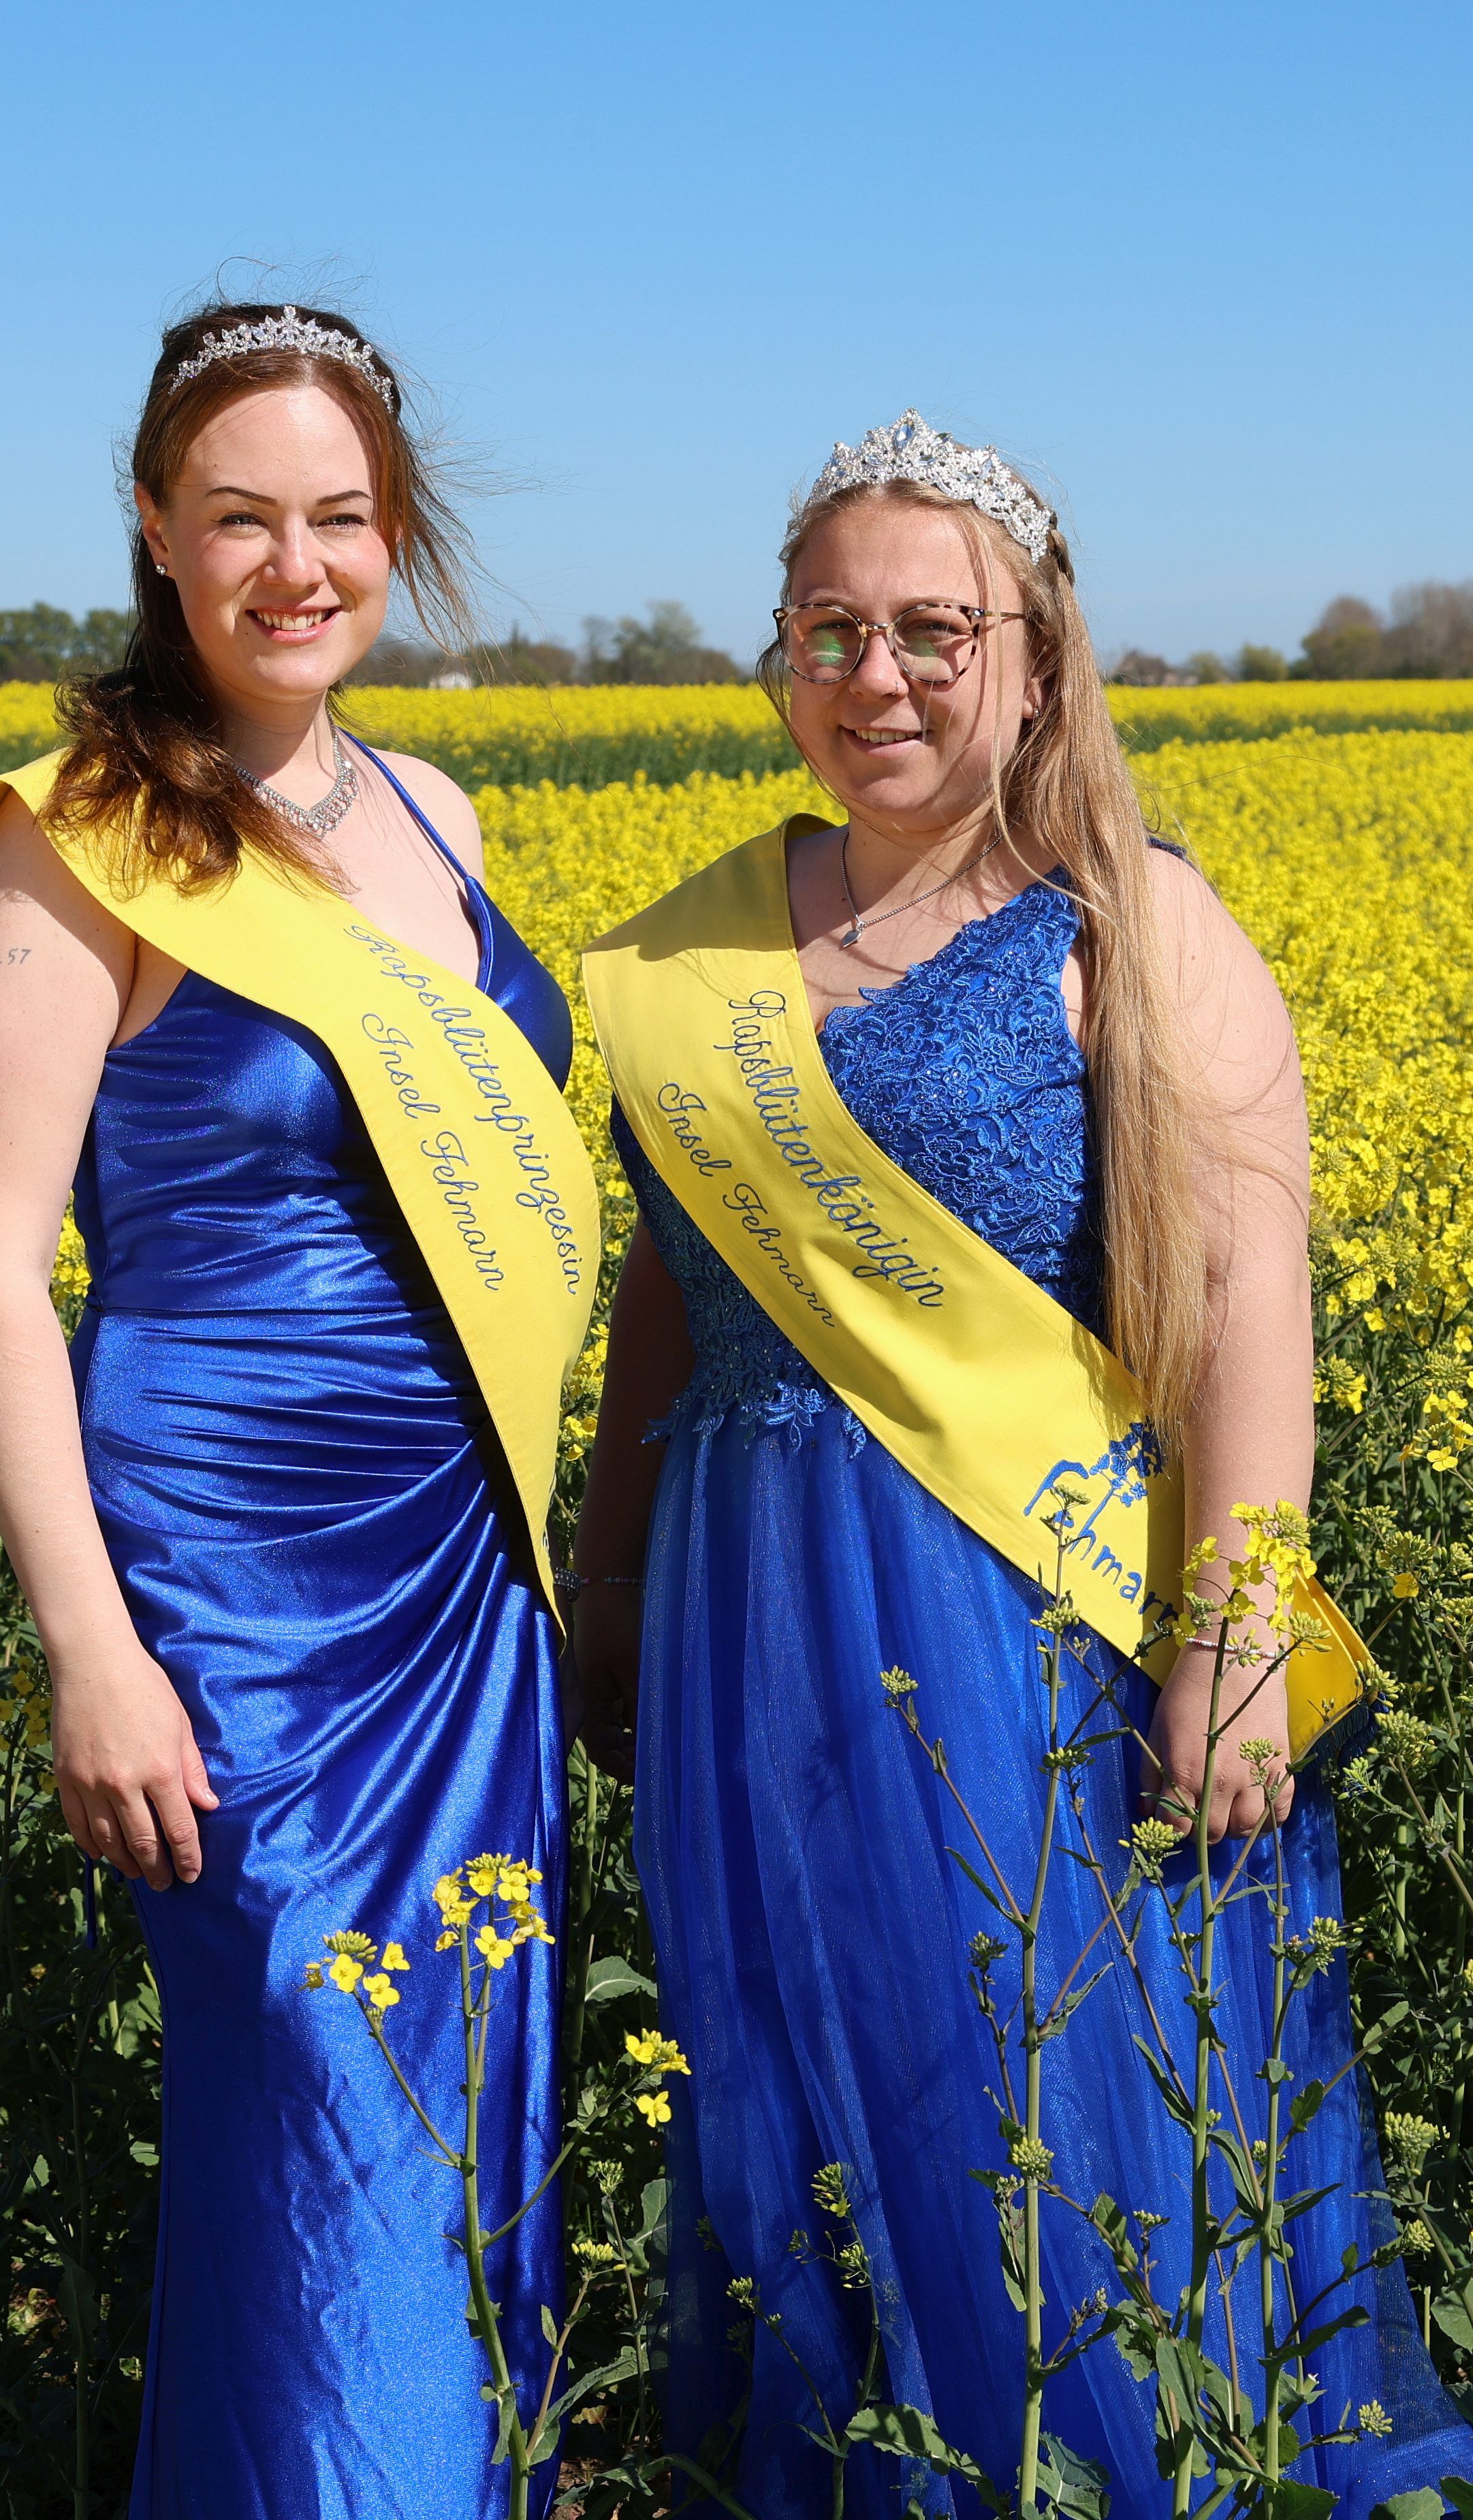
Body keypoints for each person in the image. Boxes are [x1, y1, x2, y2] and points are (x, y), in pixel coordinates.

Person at [572, 412, 1470, 2512]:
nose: (872, 677)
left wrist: (1241, 1643)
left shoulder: (1129, 924)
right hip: (736, 1622)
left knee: (1033, 2093)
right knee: (787, 2076)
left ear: (1037, 658)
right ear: (776, 659)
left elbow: (1249, 1301)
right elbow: (669, 1305)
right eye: (828, 630)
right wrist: (606, 1586)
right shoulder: (694, 954)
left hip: (1015, 1629)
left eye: (927, 631)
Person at [0, 301, 598, 2519]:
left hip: (457, 1578)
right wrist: (91, 1648)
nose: (292, 564)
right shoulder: (75, 838)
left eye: (337, 515)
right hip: (226, 1602)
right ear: (154, 527)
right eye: (240, 516)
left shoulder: (442, 804)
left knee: (459, 2124)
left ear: (392, 536)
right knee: (325, 2112)